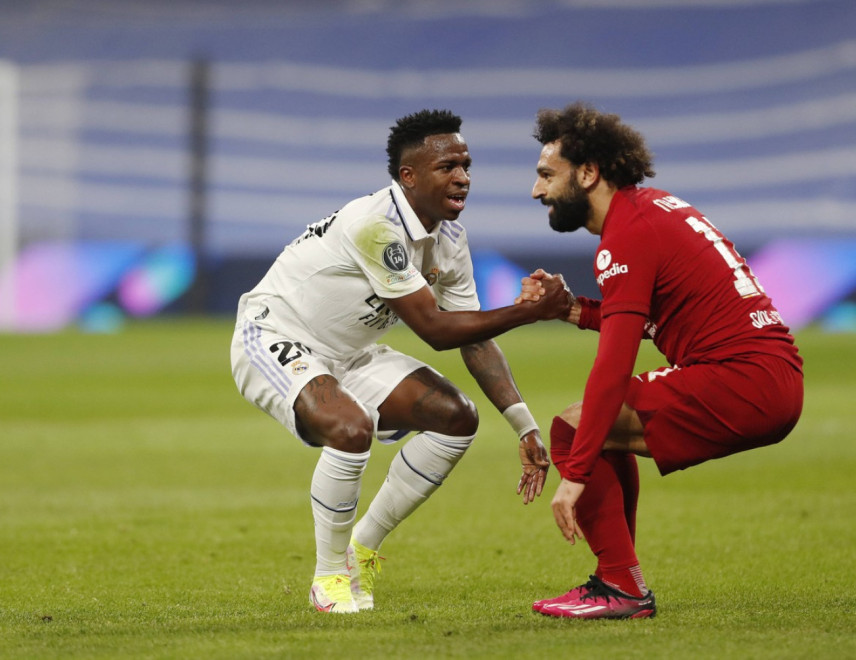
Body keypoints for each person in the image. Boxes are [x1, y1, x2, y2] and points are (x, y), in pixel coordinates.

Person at [230, 109, 569, 614]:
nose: (463, 177)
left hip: (349, 353)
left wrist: (523, 425)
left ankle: (360, 550)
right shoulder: (375, 225)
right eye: (447, 167)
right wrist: (529, 312)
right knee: (350, 428)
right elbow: (434, 329)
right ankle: (328, 578)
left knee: (456, 418)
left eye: (466, 165)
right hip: (275, 334)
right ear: (408, 176)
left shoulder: (450, 240)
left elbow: (473, 339)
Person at [518, 102, 804, 619]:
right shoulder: (652, 209)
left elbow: (614, 364)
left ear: (588, 173)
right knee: (598, 429)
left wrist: (575, 474)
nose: (537, 191)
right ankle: (620, 581)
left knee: (573, 429)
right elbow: (660, 318)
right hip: (770, 375)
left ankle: (620, 585)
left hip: (740, 379)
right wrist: (572, 309)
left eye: (546, 175)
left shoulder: (627, 234)